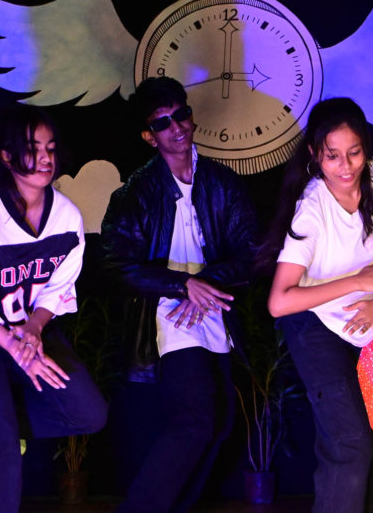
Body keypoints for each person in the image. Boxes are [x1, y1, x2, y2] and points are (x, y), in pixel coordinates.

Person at [100, 76, 257, 513]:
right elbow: (116, 262)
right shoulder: (136, 193)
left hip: (215, 307)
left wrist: (204, 283)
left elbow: (251, 251)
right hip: (168, 312)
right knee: (194, 421)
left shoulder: (222, 182)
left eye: (182, 114)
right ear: (148, 136)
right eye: (163, 122)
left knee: (220, 424)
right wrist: (181, 285)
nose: (177, 127)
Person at [0, 106, 107, 513]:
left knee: (90, 414)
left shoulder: (66, 216)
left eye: (50, 148)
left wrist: (34, 328)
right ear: (6, 156)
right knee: (0, 444)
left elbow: (59, 286)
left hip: (31, 327)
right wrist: (16, 348)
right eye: (33, 149)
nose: (46, 158)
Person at [265, 97, 373, 513]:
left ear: (366, 147)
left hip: (370, 322)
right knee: (348, 440)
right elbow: (279, 302)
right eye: (332, 155)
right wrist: (358, 281)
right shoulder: (311, 208)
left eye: (354, 152)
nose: (346, 165)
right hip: (314, 324)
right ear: (315, 155)